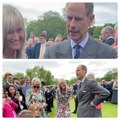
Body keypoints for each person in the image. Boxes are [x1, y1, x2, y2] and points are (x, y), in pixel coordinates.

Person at [44, 3, 117, 59]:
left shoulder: (109, 54)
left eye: (78, 19)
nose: (72, 25)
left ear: (90, 20)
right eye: (69, 18)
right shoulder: (50, 53)